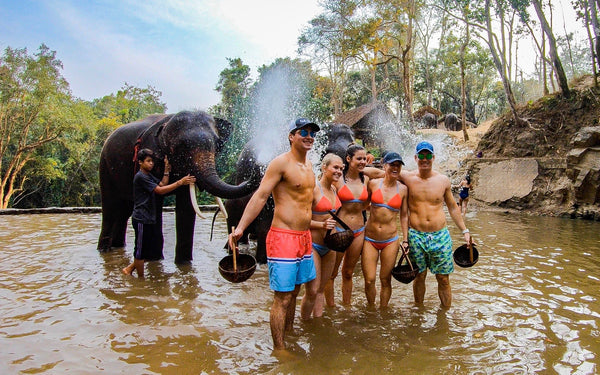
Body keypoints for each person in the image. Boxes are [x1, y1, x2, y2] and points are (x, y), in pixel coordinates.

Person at [228, 118, 320, 352]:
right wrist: (240, 228)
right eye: (304, 132)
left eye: (312, 133)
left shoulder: (310, 166)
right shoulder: (280, 163)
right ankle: (279, 350)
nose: (309, 136)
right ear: (291, 136)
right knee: (283, 297)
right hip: (284, 237)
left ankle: (288, 334)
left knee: (296, 291)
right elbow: (260, 196)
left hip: (304, 237)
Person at [399, 141, 472, 308]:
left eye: (428, 155)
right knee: (419, 276)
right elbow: (384, 172)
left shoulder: (443, 180)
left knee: (443, 278)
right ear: (415, 158)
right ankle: (418, 312)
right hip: (416, 236)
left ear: (433, 157)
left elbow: (453, 207)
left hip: (440, 235)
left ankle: (445, 316)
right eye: (422, 156)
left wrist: (465, 231)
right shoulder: (407, 177)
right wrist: (360, 164)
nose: (425, 159)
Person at [122, 148, 196, 278]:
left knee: (146, 250)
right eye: (148, 161)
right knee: (139, 252)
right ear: (140, 162)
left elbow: (162, 184)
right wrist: (180, 182)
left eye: (152, 161)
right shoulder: (141, 177)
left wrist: (167, 170)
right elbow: (160, 191)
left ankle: (129, 269)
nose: (151, 164)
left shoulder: (148, 175)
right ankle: (141, 281)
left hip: (149, 218)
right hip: (141, 219)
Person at [325, 144, 370, 307]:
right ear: (349, 159)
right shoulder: (337, 179)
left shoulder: (366, 179)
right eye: (359, 158)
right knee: (331, 273)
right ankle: (330, 307)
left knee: (348, 272)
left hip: (359, 230)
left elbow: (367, 204)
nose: (363, 162)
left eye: (365, 159)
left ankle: (346, 306)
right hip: (339, 230)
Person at [361, 151, 408, 309]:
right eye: (392, 164)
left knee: (385, 279)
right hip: (370, 238)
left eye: (398, 165)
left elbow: (404, 216)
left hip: (390, 240)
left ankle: (383, 311)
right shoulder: (374, 183)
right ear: (384, 165)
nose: (395, 168)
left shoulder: (403, 189)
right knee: (369, 279)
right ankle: (371, 309)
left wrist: (406, 240)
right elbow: (363, 205)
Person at [309, 153, 344, 317]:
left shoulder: (334, 189)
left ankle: (318, 324)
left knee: (322, 289)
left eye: (341, 168)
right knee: (313, 290)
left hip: (331, 246)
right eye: (335, 167)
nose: (339, 171)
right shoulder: (314, 189)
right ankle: (305, 323)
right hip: (314, 245)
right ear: (324, 167)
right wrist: (321, 225)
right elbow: (301, 220)